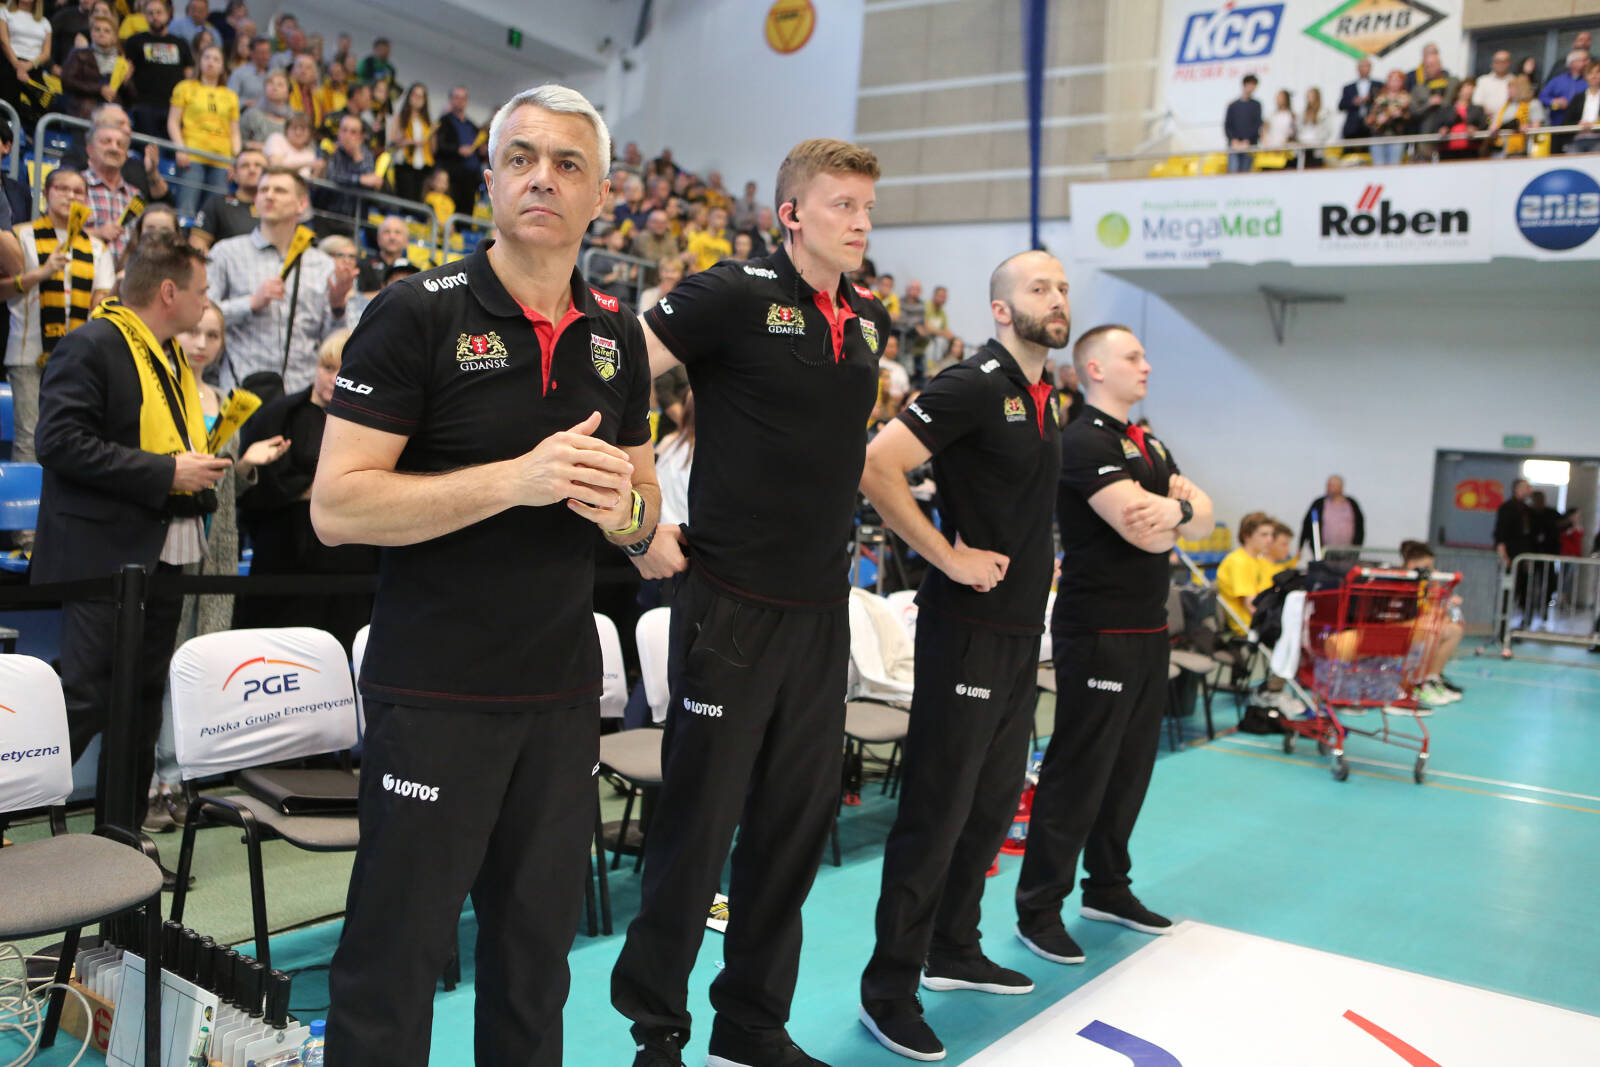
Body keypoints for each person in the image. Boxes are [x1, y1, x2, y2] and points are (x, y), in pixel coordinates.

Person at [313, 83, 657, 1067]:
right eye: (521, 158)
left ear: (601, 196)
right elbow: (337, 507)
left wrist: (621, 513)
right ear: (492, 180)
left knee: (535, 964)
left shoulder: (617, 335)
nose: (542, 178)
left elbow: (645, 519)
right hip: (434, 692)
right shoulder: (414, 312)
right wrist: (516, 480)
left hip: (560, 695)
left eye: (567, 163)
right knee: (394, 964)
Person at [612, 137, 889, 1067]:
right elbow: (617, 370)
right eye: (842, 204)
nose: (860, 222)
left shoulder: (869, 320)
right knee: (696, 831)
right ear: (791, 214)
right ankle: (657, 1030)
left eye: (867, 207)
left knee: (791, 830)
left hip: (821, 612)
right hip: (729, 603)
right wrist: (642, 514)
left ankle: (752, 1023)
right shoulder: (732, 293)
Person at [855, 251, 1069, 1061]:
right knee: (937, 811)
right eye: (1039, 288)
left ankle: (953, 948)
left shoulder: (1045, 395)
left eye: (1063, 287)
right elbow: (878, 465)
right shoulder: (972, 382)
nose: (1057, 298)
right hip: (966, 629)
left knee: (991, 803)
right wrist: (946, 557)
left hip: (1018, 632)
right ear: (1002, 309)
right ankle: (888, 989)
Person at [1013, 323, 1213, 972]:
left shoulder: (1148, 440)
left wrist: (1180, 512)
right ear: (1095, 369)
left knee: (1130, 769)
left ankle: (1107, 887)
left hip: (1149, 630)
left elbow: (1205, 517)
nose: (1146, 365)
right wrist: (1178, 515)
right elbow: (1143, 532)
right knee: (1079, 770)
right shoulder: (1084, 440)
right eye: (1133, 356)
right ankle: (1039, 908)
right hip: (1097, 629)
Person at [31, 230, 228, 851]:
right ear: (168, 291)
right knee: (87, 695)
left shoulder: (168, 355)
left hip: (164, 549)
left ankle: (121, 842)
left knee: (141, 701)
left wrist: (190, 474)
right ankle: (12, 800)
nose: (206, 302)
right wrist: (166, 472)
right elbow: (58, 443)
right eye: (200, 290)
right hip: (104, 557)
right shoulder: (92, 344)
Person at [231, 329, 375, 647]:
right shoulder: (277, 416)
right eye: (328, 368)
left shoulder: (374, 421)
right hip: (283, 557)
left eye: (345, 370)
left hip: (351, 561)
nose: (334, 379)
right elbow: (254, 491)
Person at [206, 166, 355, 397]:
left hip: (300, 395)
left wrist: (337, 308)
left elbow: (334, 345)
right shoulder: (226, 253)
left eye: (280, 190)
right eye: (263, 189)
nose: (269, 195)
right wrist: (250, 303)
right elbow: (202, 317)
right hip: (240, 391)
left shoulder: (323, 265)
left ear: (302, 204)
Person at [4, 168, 116, 474]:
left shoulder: (96, 247)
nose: (70, 196)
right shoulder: (20, 235)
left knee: (70, 437)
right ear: (45, 194)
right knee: (29, 438)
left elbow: (101, 300)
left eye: (78, 192)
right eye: (62, 189)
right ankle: (26, 505)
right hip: (28, 354)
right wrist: (41, 273)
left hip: (76, 360)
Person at [167, 44, 242, 219]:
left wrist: (235, 160)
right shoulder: (185, 87)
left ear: (222, 66)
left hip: (222, 159)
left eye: (216, 59)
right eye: (207, 57)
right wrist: (180, 149)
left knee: (215, 213)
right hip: (192, 155)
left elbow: (235, 132)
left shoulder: (231, 96)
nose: (211, 62)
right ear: (199, 61)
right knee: (186, 209)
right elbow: (173, 122)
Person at [123, 0, 192, 138]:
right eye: (150, 13)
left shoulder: (180, 43)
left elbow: (189, 75)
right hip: (144, 106)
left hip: (174, 106)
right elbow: (126, 73)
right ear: (145, 16)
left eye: (159, 12)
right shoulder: (134, 41)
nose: (155, 16)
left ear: (168, 14)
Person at [192, 147, 266, 251]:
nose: (252, 170)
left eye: (258, 165)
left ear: (269, 173)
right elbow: (197, 243)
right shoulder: (217, 204)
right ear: (234, 174)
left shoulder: (280, 209)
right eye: (245, 166)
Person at [58, 12, 131, 119]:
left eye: (107, 31)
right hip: (83, 110)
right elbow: (67, 80)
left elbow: (131, 97)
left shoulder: (122, 61)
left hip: (112, 110)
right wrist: (99, 89)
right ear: (91, 33)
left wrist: (127, 81)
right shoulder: (78, 54)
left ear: (114, 37)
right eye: (97, 29)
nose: (101, 33)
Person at [1216, 512, 1276, 634]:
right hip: (1250, 629)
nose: (1270, 540)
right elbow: (1252, 606)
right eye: (1264, 535)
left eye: (1271, 535)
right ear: (1247, 536)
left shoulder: (1260, 561)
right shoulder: (1239, 562)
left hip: (1262, 625)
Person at [435, 85, 485, 219]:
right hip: (453, 178)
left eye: (463, 98)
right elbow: (440, 146)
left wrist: (481, 151)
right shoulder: (444, 121)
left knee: (467, 215)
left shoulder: (472, 126)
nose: (460, 101)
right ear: (451, 100)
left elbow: (479, 151)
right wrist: (458, 150)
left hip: (471, 180)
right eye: (457, 97)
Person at [1494, 477, 1535, 623]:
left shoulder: (1527, 509)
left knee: (1522, 590)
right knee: (1507, 591)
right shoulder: (1507, 508)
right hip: (1511, 555)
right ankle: (1502, 623)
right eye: (1525, 487)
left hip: (1522, 556)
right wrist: (1504, 555)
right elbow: (1500, 533)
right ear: (1516, 489)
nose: (1528, 490)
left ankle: (1522, 621)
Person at [0, 0, 52, 118]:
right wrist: (17, 65)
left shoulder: (45, 22)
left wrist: (28, 66)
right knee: (7, 107)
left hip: (34, 67)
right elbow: (4, 41)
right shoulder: (4, 13)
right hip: (9, 64)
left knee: (43, 108)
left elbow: (46, 53)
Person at [388, 81, 433, 204]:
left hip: (421, 166)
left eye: (421, 96)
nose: (417, 99)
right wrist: (412, 142)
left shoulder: (426, 121)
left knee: (417, 200)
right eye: (415, 95)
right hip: (404, 164)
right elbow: (392, 142)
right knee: (405, 199)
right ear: (409, 96)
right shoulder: (400, 117)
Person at [1299, 474, 1364, 555]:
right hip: (1324, 552)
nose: (1329, 488)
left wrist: (1357, 548)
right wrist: (1300, 546)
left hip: (1348, 553)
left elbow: (1360, 527)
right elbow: (1307, 525)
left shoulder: (1352, 504)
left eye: (1332, 485)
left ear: (1341, 487)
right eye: (1328, 485)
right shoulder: (1318, 504)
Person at [1430, 80, 1488, 161]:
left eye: (1471, 89)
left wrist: (1475, 130)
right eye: (1467, 88)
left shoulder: (1478, 109)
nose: (1469, 91)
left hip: (1470, 151)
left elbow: (1484, 126)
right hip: (1447, 151)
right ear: (1459, 91)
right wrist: (1442, 130)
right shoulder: (1446, 110)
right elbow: (1435, 126)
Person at [1491, 75, 1547, 157]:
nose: (1509, 91)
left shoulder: (1533, 104)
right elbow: (1495, 122)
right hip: (1502, 150)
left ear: (1521, 88)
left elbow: (1537, 126)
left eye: (1512, 88)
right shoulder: (1506, 106)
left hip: (1524, 149)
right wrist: (1493, 126)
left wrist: (1528, 127)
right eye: (1509, 88)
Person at [1368, 69, 1414, 166]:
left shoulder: (1406, 98)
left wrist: (1401, 115)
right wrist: (1376, 119)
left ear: (1402, 82)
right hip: (1378, 136)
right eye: (1392, 80)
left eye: (1397, 80)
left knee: (1394, 165)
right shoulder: (1379, 97)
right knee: (1378, 165)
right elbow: (1370, 118)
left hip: (1396, 136)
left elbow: (1411, 117)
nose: (1394, 83)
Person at [357, 215, 412, 294]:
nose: (392, 237)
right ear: (378, 238)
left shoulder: (414, 272)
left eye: (397, 232)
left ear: (407, 240)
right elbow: (354, 296)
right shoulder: (362, 265)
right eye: (387, 232)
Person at [239, 67, 292, 146]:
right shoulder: (251, 115)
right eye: (270, 83)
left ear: (288, 93)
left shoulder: (293, 119)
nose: (275, 88)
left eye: (280, 85)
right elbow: (239, 141)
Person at [262, 110, 321, 178]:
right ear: (286, 129)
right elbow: (275, 166)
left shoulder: (311, 153)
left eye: (303, 129)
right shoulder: (277, 139)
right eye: (294, 128)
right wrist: (306, 164)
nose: (298, 133)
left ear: (310, 133)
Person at [1224, 74, 1262, 172]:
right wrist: (1233, 140)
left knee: (1245, 173)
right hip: (1234, 146)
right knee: (1232, 173)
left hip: (1249, 146)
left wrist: (1247, 140)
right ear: (1244, 84)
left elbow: (1257, 125)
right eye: (1250, 84)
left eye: (1254, 85)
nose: (1251, 87)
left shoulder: (1256, 105)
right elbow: (1228, 125)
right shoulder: (1233, 106)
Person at [1560, 60, 1600, 154]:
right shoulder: (1578, 98)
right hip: (1578, 139)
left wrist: (1595, 125)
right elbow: (1566, 121)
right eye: (1590, 73)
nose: (1594, 76)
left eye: (1597, 72)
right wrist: (1579, 124)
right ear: (1585, 76)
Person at [1339, 56, 1379, 141]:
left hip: (1371, 126)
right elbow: (1341, 106)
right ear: (1357, 68)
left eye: (1367, 66)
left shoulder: (1378, 85)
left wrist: (1370, 99)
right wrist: (1354, 102)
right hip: (1352, 127)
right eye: (1362, 66)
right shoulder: (1349, 87)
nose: (1364, 69)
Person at [227, 34, 272, 107]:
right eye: (262, 53)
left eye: (268, 52)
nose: (266, 56)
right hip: (246, 112)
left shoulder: (273, 73)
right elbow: (228, 99)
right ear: (252, 53)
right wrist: (246, 103)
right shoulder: (239, 73)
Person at [1474, 50, 1514, 120]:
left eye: (1503, 61)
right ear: (1492, 63)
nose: (1500, 64)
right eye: (1497, 61)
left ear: (1509, 63)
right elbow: (1477, 101)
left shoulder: (1514, 81)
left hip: (1508, 121)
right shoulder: (1483, 80)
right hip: (1486, 120)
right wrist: (1486, 111)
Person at [1299, 87, 1332, 165]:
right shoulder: (1303, 114)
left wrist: (1314, 141)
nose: (1309, 99)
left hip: (1317, 149)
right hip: (1304, 149)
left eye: (1311, 96)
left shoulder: (1324, 113)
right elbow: (1300, 131)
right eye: (1308, 97)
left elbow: (1326, 132)